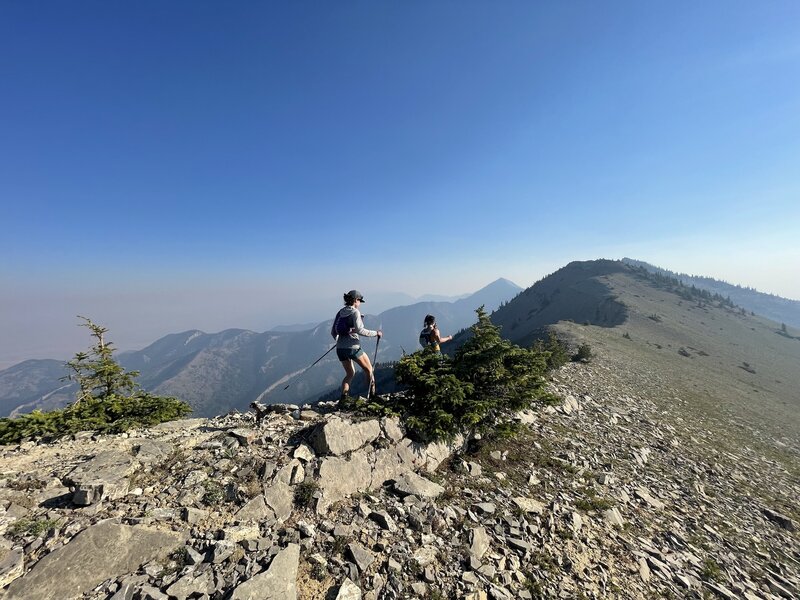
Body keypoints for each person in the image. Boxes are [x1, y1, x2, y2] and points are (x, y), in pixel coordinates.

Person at [331, 290, 382, 399]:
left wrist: (340, 341)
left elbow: (333, 332)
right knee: (369, 370)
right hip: (353, 347)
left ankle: (343, 398)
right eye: (359, 301)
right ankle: (372, 396)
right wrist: (376, 333)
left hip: (340, 349)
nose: (359, 303)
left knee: (350, 374)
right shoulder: (355, 312)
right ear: (355, 300)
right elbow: (360, 330)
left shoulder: (340, 312)